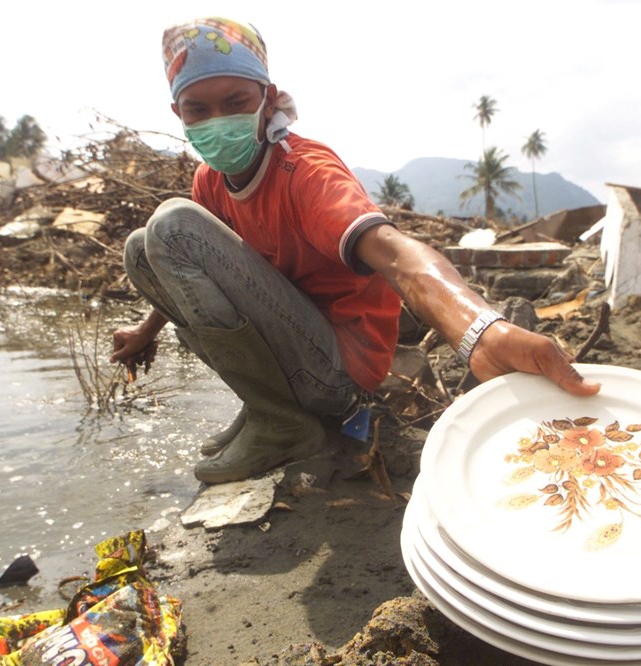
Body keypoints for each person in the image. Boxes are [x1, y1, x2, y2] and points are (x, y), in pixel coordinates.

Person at [111, 16, 599, 485]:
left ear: (267, 100)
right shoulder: (209, 182)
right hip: (293, 352)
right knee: (141, 247)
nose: (219, 121)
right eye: (199, 109)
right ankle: (264, 407)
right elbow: (195, 275)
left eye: (236, 101)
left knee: (172, 225)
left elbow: (395, 253)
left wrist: (480, 330)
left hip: (338, 373)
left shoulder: (305, 173)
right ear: (179, 114)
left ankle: (282, 422)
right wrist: (145, 328)